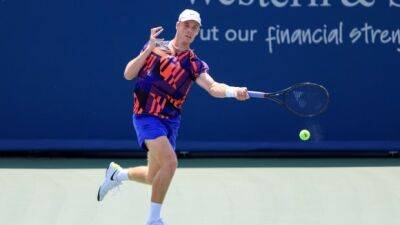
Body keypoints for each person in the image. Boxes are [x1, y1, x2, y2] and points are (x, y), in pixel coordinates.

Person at [97, 9, 249, 225]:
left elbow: (213, 87)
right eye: (186, 25)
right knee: (170, 163)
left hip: (170, 121)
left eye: (194, 27)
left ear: (197, 33)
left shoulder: (194, 63)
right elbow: (128, 74)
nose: (190, 30)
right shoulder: (155, 47)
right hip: (146, 115)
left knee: (153, 176)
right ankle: (153, 220)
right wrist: (148, 49)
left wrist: (234, 91)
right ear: (177, 25)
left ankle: (117, 175)